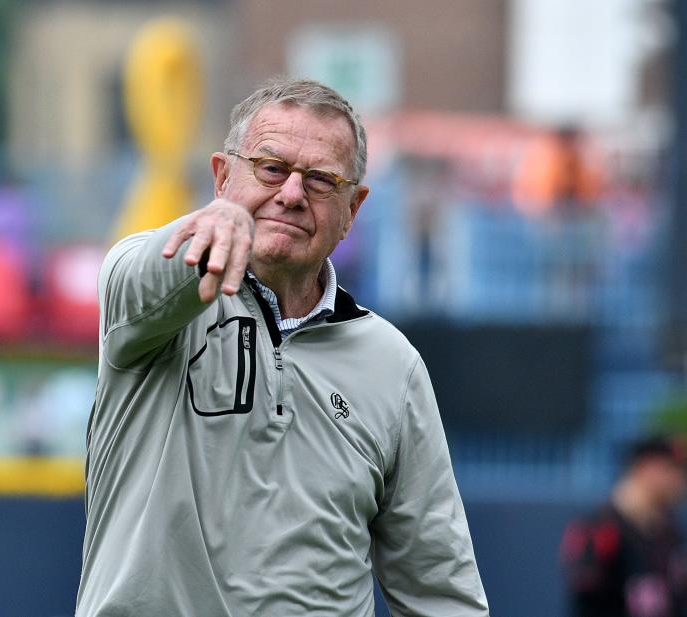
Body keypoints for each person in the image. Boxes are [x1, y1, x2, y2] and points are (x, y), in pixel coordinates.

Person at [77, 77, 489, 616]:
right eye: (270, 168)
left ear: (353, 209)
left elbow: (439, 588)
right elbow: (143, 278)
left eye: (321, 180)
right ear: (222, 176)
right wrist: (215, 226)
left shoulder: (393, 365)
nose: (291, 194)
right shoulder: (150, 301)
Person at [561, 436, 687, 617]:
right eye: (673, 470)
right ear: (647, 468)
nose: (680, 481)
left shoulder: (670, 529)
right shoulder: (600, 526)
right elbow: (585, 595)